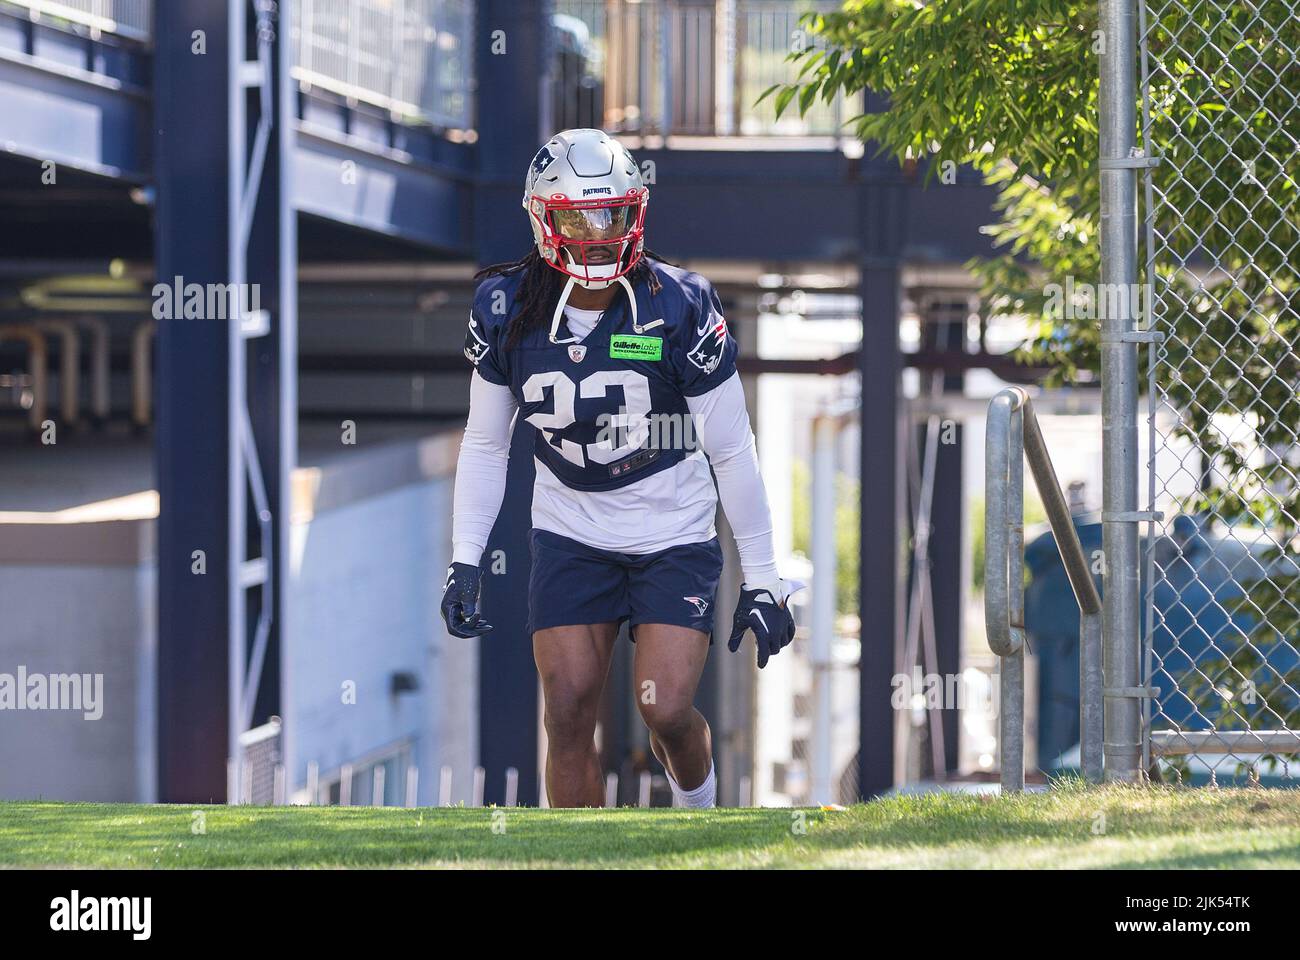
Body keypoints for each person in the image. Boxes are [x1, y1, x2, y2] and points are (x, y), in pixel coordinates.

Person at [442, 128, 801, 808]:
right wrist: (465, 558)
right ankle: (581, 860)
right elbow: (487, 443)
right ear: (544, 218)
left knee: (665, 710)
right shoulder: (504, 307)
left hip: (671, 529)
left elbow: (731, 448)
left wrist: (764, 580)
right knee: (569, 710)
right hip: (571, 529)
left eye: (613, 212)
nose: (600, 231)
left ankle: (699, 819)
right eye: (580, 215)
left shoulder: (680, 304)